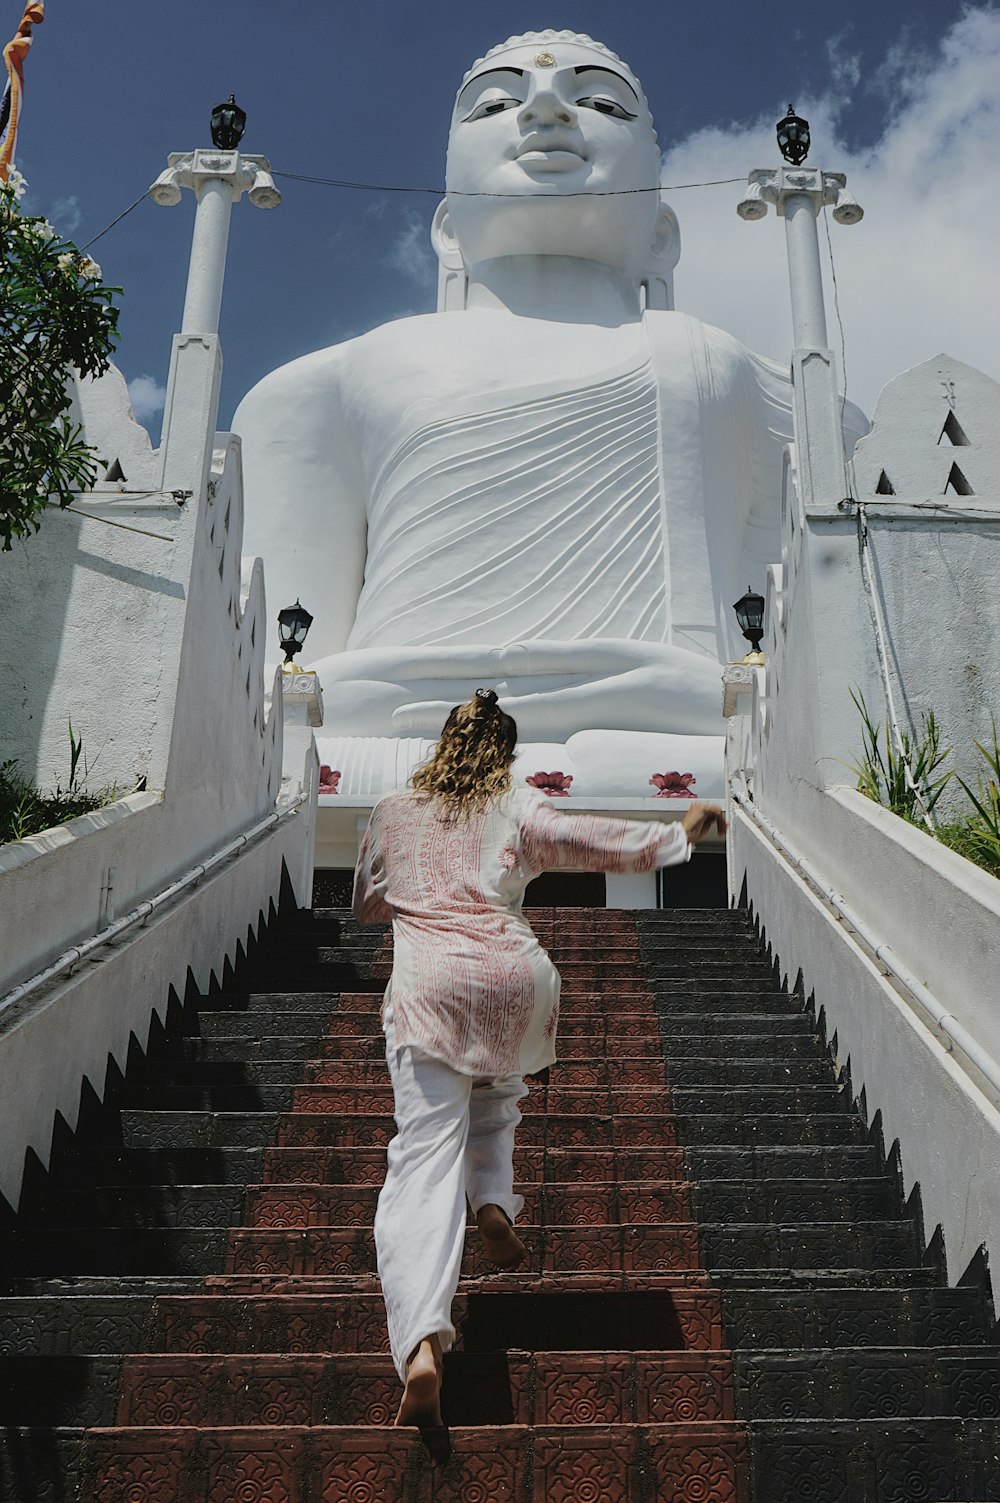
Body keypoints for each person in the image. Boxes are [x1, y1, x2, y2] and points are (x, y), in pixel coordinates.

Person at [351, 688, 726, 1455]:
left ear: (442, 742)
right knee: (497, 1088)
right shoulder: (516, 807)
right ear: (505, 753)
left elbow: (365, 902)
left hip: (430, 989)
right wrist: (672, 838)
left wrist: (416, 895)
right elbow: (585, 839)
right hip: (514, 979)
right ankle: (492, 1199)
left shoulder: (392, 808)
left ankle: (423, 1343)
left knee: (422, 1158)